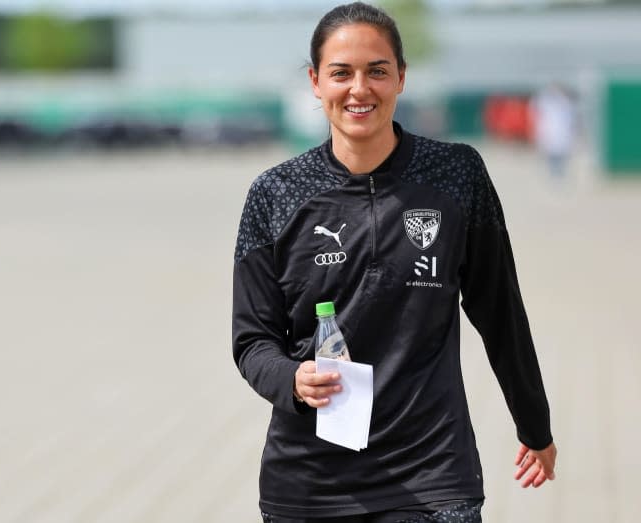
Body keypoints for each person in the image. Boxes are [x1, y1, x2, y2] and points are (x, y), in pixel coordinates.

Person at [232, 3, 557, 522]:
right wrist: (292, 379)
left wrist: (534, 424)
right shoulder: (275, 194)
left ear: (401, 78)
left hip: (432, 475)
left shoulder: (456, 175)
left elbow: (501, 313)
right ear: (316, 82)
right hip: (310, 485)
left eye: (377, 71)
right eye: (341, 72)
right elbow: (251, 340)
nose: (359, 89)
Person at [530, 82, 577, 180]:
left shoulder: (565, 103)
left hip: (561, 135)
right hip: (550, 133)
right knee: (551, 156)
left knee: (561, 156)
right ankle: (553, 175)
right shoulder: (546, 103)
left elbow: (570, 120)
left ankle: (560, 175)